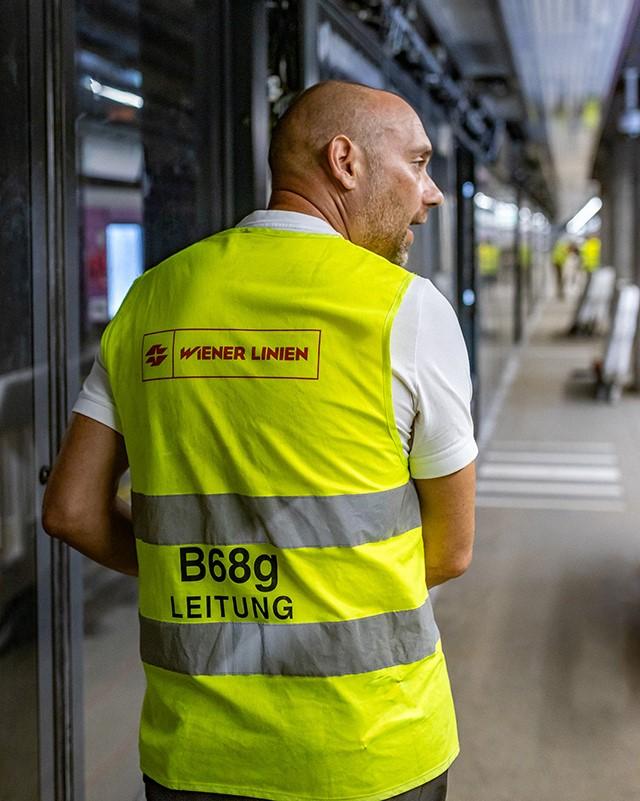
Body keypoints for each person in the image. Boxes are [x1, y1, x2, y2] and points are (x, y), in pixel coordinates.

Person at [43, 81, 477, 801]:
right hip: (369, 749)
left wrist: (215, 587)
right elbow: (451, 548)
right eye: (418, 163)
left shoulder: (153, 296)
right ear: (345, 160)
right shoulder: (406, 309)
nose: (430, 193)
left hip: (196, 753)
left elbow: (70, 510)